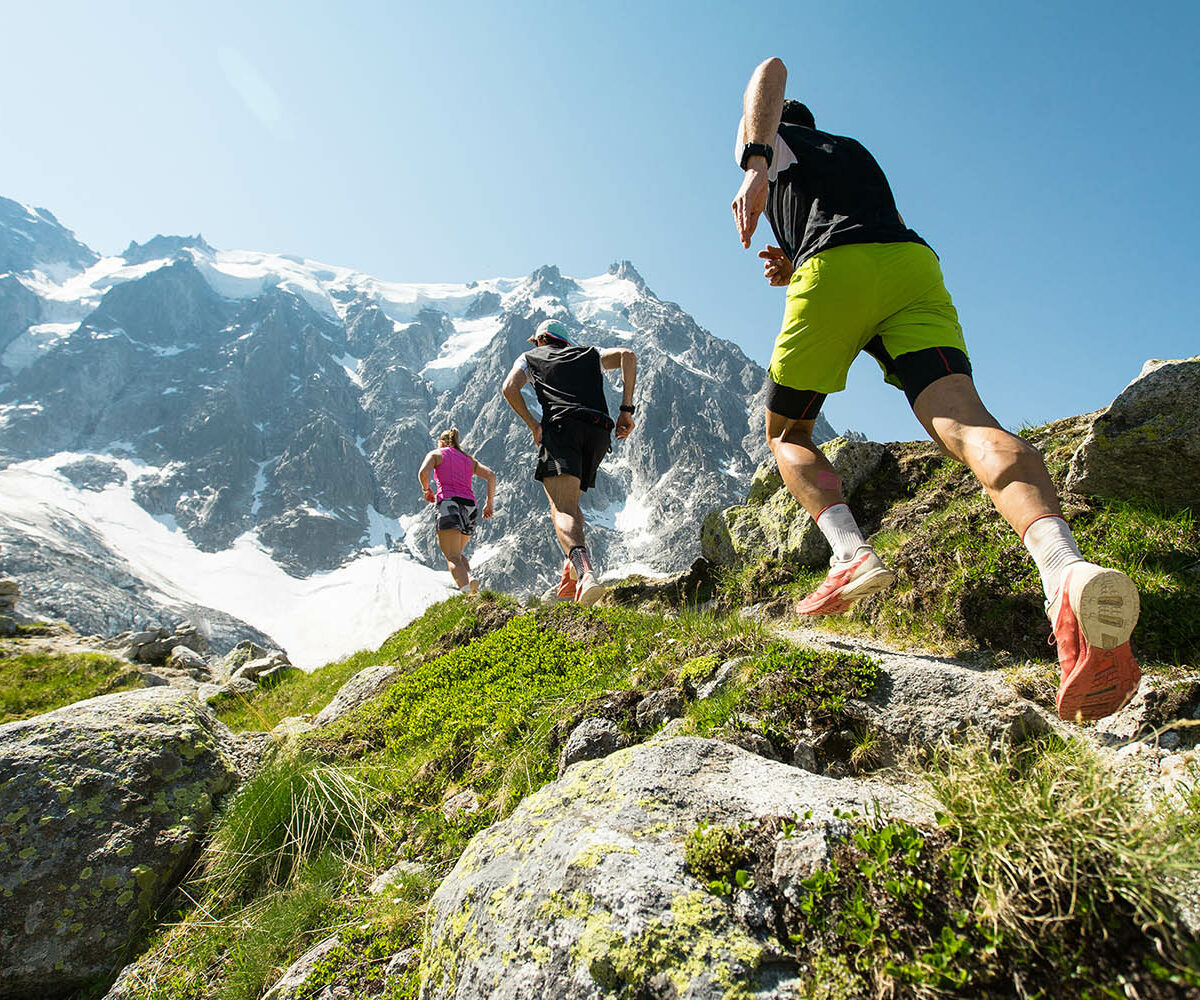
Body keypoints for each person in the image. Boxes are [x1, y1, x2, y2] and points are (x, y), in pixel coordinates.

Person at [730, 57, 1140, 722]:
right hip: (910, 268)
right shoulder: (851, 152)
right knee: (968, 425)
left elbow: (766, 72)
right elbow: (839, 222)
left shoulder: (773, 142)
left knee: (787, 433)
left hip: (837, 274)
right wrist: (794, 257)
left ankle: (850, 555)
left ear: (779, 131)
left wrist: (753, 162)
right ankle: (1065, 572)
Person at [501, 318, 636, 607]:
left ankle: (586, 573)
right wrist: (626, 410)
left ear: (540, 340)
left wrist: (533, 425)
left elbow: (509, 388)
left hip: (563, 428)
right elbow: (628, 356)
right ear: (565, 341)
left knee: (561, 507)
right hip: (599, 430)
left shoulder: (529, 357)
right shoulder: (588, 353)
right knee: (571, 503)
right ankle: (571, 570)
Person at [417, 428, 496, 594]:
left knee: (451, 556)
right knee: (458, 554)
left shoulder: (436, 454)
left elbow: (423, 473)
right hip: (470, 507)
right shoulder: (469, 460)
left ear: (442, 442)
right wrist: (489, 502)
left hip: (449, 503)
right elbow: (491, 475)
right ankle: (469, 579)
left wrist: (426, 490)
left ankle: (466, 591)